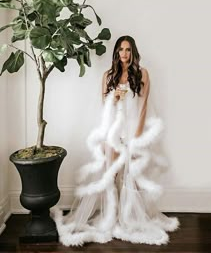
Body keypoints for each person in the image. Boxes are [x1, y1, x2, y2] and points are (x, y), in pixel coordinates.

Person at [54, 36, 179, 246]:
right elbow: (106, 106)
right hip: (112, 131)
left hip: (132, 131)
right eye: (121, 50)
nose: (124, 54)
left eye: (128, 50)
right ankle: (111, 217)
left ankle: (127, 218)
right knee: (111, 174)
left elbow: (144, 107)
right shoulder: (108, 76)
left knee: (130, 175)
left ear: (133, 52)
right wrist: (116, 98)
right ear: (116, 53)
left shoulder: (142, 74)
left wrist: (137, 136)